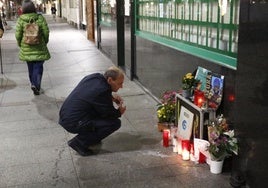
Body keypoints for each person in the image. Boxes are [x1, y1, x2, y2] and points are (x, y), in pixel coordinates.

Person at [59, 66, 126, 156]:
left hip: (66, 115)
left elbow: (92, 94)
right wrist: (119, 112)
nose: (121, 86)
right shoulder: (102, 91)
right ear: (110, 80)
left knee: (99, 115)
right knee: (114, 123)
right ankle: (79, 143)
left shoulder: (95, 77)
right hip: (73, 122)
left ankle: (91, 137)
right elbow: (108, 113)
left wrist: (111, 98)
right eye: (119, 83)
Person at [15, 0, 50, 95]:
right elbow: (46, 31)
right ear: (33, 8)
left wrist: (20, 43)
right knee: (38, 66)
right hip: (39, 46)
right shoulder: (40, 18)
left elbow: (18, 34)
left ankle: (32, 83)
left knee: (30, 67)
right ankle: (36, 85)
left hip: (26, 47)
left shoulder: (21, 19)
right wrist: (45, 41)